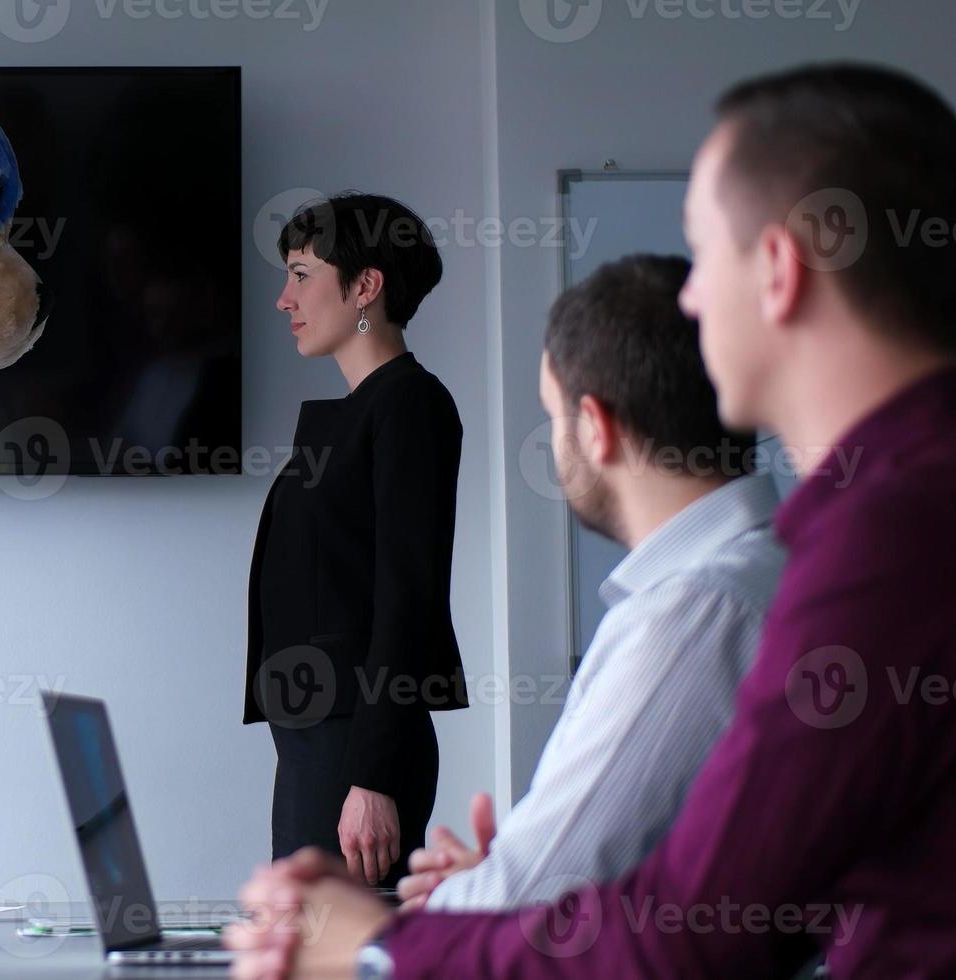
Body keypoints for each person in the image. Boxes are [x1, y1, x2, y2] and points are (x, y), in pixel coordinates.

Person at [229, 62, 956, 978]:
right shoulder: (854, 533)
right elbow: (739, 897)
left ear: (775, 269)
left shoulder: (832, 564)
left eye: (703, 257)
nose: (685, 303)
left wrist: (378, 949)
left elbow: (695, 930)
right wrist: (501, 893)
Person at [392, 253, 783, 913]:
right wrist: (489, 878)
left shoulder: (694, 614)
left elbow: (530, 897)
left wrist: (359, 937)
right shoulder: (763, 571)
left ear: (595, 428)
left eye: (553, 415)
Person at [245, 192, 468, 886]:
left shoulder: (407, 405)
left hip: (356, 750)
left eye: (302, 273)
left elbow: (408, 596)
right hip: (320, 740)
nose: (285, 299)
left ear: (365, 285)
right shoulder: (359, 413)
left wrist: (370, 778)